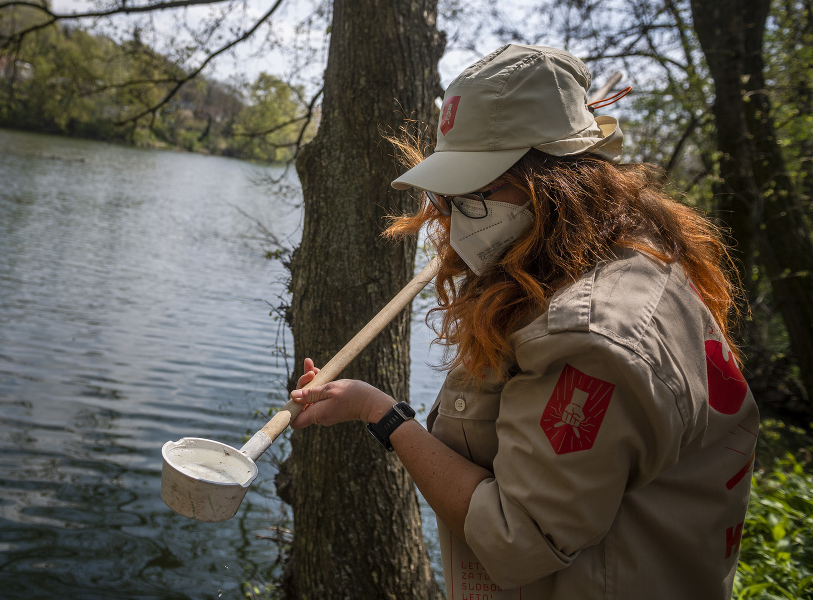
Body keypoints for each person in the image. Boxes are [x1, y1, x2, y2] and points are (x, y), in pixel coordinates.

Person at [289, 44, 759, 599]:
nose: (455, 214)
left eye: (475, 192)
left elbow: (521, 537)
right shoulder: (622, 257)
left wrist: (383, 415)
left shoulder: (593, 334)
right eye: (449, 196)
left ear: (555, 180)